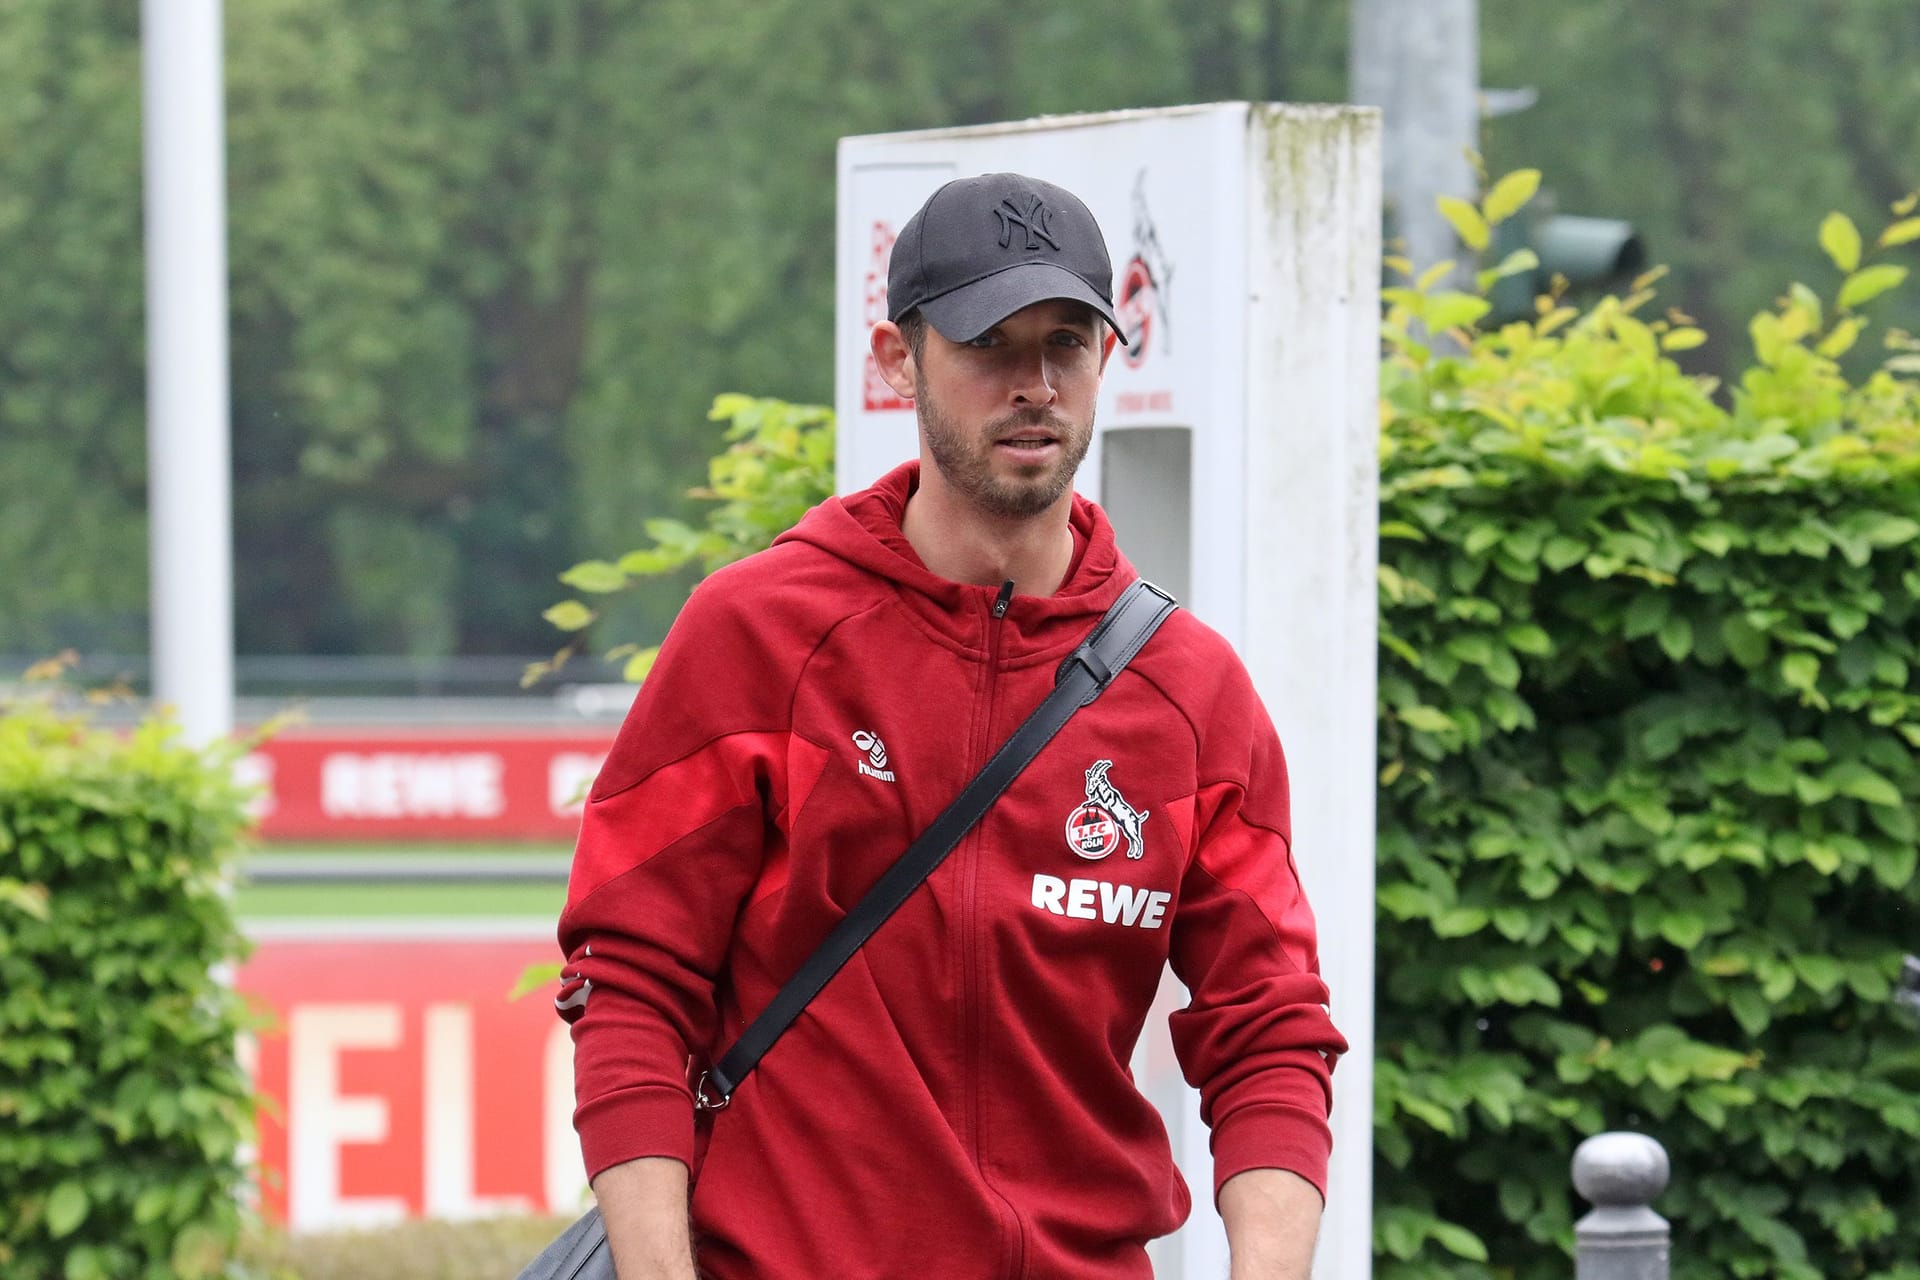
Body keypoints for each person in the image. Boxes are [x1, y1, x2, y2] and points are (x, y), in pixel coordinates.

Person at [554, 172, 1345, 1279]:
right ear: (897, 360)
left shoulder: (1189, 689)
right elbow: (630, 983)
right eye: (987, 343)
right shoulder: (757, 635)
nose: (1034, 385)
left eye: (1066, 343)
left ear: (1106, 359)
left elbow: (1270, 1029)